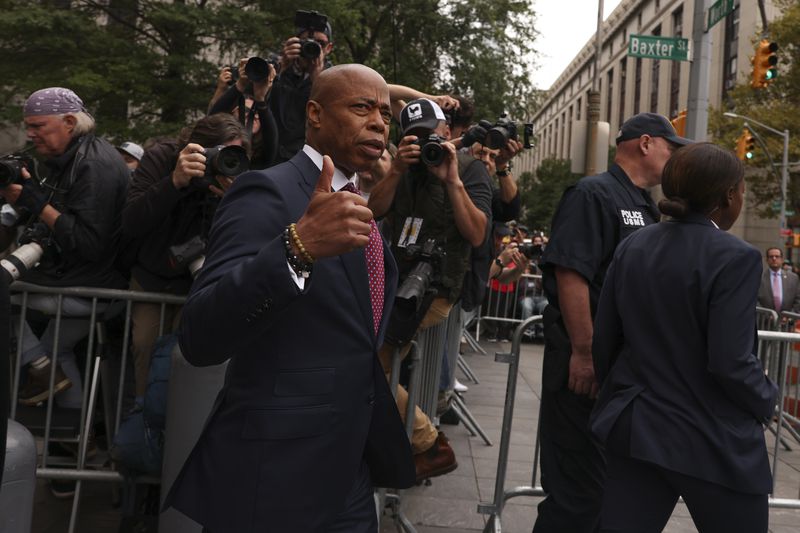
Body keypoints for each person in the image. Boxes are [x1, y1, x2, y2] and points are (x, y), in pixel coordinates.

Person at [163, 64, 415, 533]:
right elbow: (200, 335)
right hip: (274, 474)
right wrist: (296, 248)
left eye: (384, 111)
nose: (380, 122)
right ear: (315, 115)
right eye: (362, 107)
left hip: (346, 471)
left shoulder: (358, 200)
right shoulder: (268, 192)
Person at [591, 142, 777, 532]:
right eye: (742, 190)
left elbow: (605, 338)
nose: (742, 198)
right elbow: (730, 361)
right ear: (728, 195)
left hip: (636, 426)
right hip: (712, 437)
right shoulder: (736, 257)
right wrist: (766, 399)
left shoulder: (634, 245)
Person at [534, 112, 691, 533]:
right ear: (645, 143)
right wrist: (584, 354)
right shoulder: (593, 194)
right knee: (576, 498)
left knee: (605, 497)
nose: (674, 159)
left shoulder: (645, 204)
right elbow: (572, 275)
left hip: (618, 373)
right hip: (583, 369)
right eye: (670, 148)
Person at [369, 97, 491, 483]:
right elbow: (374, 211)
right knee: (372, 362)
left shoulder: (468, 169)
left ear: (447, 132)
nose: (426, 146)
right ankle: (414, 442)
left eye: (432, 136)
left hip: (436, 289)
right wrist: (395, 171)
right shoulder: (402, 168)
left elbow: (476, 233)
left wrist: (451, 179)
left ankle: (428, 442)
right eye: (416, 138)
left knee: (372, 362)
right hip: (395, 282)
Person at [0, 87, 129, 409]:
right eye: (28, 126)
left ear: (69, 122)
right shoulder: (73, 157)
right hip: (88, 280)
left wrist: (36, 202)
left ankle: (41, 370)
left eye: (38, 126)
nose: (31, 133)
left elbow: (88, 244)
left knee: (6, 300)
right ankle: (76, 441)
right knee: (56, 351)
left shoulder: (93, 165)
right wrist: (25, 199)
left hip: (89, 284)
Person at [121, 113, 249, 402]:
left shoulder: (232, 178)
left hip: (199, 282)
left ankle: (182, 424)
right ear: (198, 147)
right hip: (152, 276)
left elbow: (240, 236)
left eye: (234, 154)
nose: (225, 160)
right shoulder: (163, 158)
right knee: (144, 345)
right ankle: (144, 421)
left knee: (188, 355)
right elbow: (131, 222)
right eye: (220, 153)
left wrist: (233, 198)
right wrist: (175, 182)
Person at [269, 10, 335, 162]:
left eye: (320, 44)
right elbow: (258, 101)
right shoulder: (277, 68)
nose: (312, 48)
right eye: (305, 42)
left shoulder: (334, 77)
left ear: (329, 48)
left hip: (306, 159)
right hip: (269, 154)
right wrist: (281, 68)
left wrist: (318, 79)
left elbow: (332, 117)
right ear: (294, 43)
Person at [757, 247, 800, 313]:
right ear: (767, 260)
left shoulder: (793, 278)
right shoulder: (759, 277)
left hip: (788, 321)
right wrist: (766, 315)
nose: (774, 258)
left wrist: (790, 316)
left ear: (782, 259)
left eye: (777, 256)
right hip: (765, 320)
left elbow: (798, 300)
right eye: (771, 257)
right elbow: (755, 300)